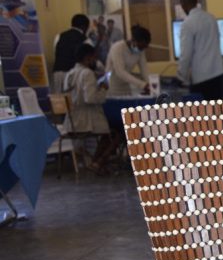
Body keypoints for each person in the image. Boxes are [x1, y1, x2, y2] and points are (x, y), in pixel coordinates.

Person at [63, 44, 118, 174]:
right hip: (85, 119)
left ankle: (95, 161)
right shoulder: (87, 73)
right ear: (88, 58)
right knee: (117, 133)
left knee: (111, 131)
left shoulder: (70, 73)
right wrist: (103, 89)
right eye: (94, 57)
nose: (96, 61)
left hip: (72, 120)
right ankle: (98, 162)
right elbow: (91, 98)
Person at [178, 0, 223, 100]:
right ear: (196, 2)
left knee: (201, 114)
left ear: (183, 5)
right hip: (217, 73)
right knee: (217, 111)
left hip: (201, 78)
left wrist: (181, 76)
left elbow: (186, 54)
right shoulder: (211, 18)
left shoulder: (187, 24)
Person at [105, 25, 151, 96]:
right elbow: (120, 72)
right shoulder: (117, 48)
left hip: (126, 85)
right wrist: (142, 84)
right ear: (133, 40)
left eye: (144, 47)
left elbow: (144, 70)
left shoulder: (141, 50)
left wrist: (149, 84)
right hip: (112, 85)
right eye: (140, 47)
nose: (141, 49)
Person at [52, 14, 91, 93]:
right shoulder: (86, 40)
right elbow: (87, 60)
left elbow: (55, 52)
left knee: (60, 100)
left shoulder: (59, 36)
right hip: (74, 75)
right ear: (84, 27)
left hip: (58, 73)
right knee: (73, 101)